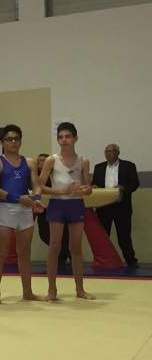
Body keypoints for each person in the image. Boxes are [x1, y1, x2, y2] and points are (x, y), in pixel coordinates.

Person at [0, 124, 43, 303]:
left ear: (21, 141)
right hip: (6, 209)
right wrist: (18, 198)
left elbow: (36, 184)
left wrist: (36, 198)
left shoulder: (30, 162)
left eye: (16, 139)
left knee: (24, 253)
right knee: (1, 253)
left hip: (25, 209)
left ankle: (28, 292)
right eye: (9, 139)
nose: (13, 142)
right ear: (2, 142)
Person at [38, 122, 94, 300]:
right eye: (61, 137)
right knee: (55, 247)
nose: (64, 140)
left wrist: (84, 190)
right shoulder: (51, 160)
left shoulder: (83, 161)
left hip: (76, 204)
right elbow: (39, 186)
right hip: (57, 204)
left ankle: (80, 289)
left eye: (67, 136)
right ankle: (52, 290)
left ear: (75, 138)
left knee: (75, 248)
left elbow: (89, 188)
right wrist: (60, 191)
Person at [92, 143, 140, 267]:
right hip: (103, 207)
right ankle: (102, 261)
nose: (108, 153)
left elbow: (135, 183)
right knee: (102, 236)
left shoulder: (128, 166)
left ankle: (130, 260)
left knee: (124, 236)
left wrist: (123, 188)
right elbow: (94, 183)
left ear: (118, 153)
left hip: (121, 207)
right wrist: (94, 187)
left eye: (111, 151)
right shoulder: (99, 167)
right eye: (106, 151)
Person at [35, 153, 70, 266]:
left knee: (62, 235)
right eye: (38, 160)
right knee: (44, 235)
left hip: (57, 208)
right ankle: (61, 254)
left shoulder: (56, 174)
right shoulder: (34, 176)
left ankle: (63, 256)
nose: (40, 162)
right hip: (42, 209)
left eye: (43, 160)